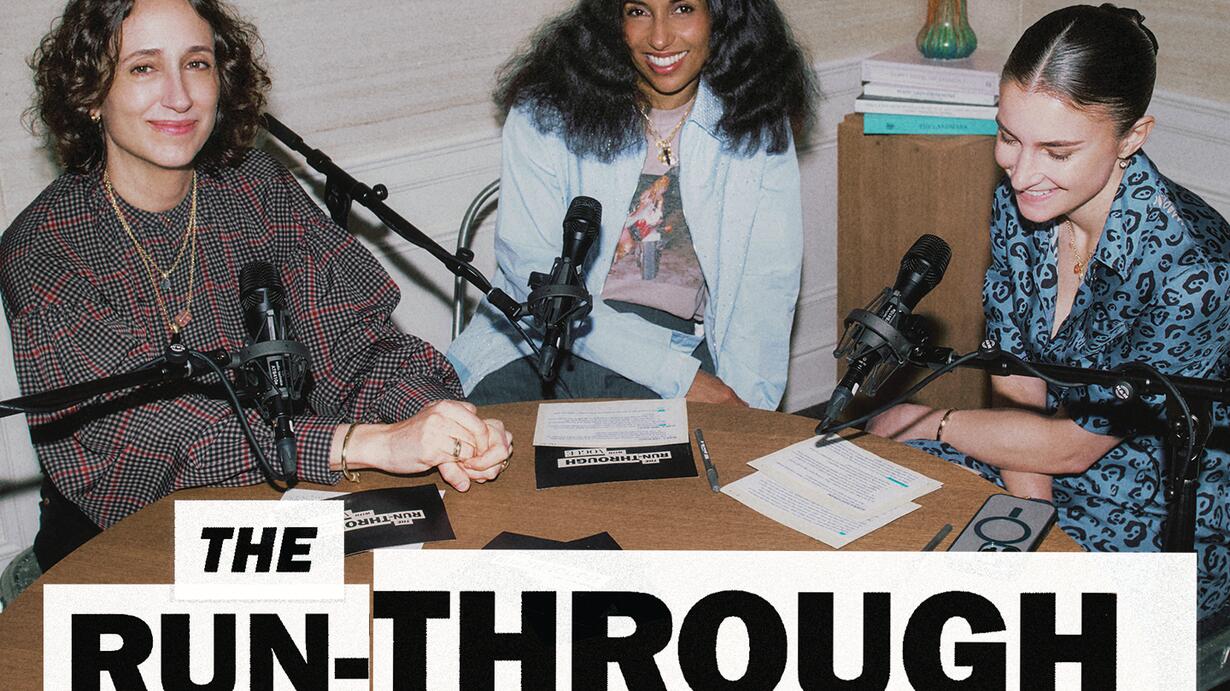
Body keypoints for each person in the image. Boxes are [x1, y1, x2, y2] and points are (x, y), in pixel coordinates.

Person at [1, 0, 511, 571]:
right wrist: (368, 444)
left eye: (196, 64)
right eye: (143, 68)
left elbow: (356, 344)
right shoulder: (44, 247)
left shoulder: (255, 184)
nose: (179, 96)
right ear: (90, 94)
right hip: (122, 547)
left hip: (283, 502)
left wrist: (436, 419)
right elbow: (159, 438)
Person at [867, 4, 1229, 623]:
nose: (1022, 173)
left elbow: (1074, 448)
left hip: (1158, 511)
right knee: (884, 494)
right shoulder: (1025, 206)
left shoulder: (1196, 271)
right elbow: (1019, 394)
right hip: (1037, 461)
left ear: (1133, 137)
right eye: (1009, 138)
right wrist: (1029, 525)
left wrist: (928, 418)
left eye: (1057, 151)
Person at [446, 0, 815, 410]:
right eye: (638, 11)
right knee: (475, 441)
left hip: (669, 340)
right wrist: (675, 375)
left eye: (683, 9)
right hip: (535, 336)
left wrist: (749, 413)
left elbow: (765, 285)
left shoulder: (753, 120)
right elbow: (530, 272)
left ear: (722, 15)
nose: (659, 37)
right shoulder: (548, 110)